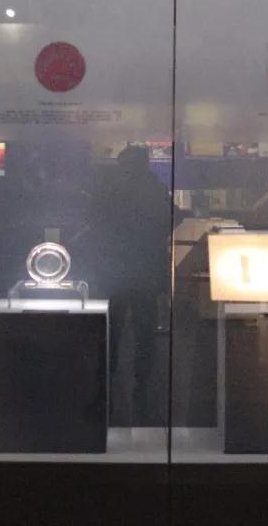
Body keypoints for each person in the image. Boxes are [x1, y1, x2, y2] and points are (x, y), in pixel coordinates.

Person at [89, 145, 170, 425]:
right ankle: (143, 384)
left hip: (115, 271)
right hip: (146, 270)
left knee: (112, 327)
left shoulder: (110, 189)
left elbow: (95, 222)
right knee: (145, 332)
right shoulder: (155, 189)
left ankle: (107, 376)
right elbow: (167, 221)